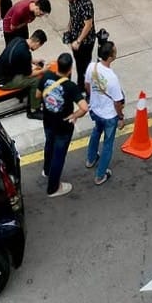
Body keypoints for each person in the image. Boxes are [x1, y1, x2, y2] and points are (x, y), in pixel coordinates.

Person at [39, 52, 88, 198]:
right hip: (63, 126)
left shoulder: (47, 76)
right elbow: (84, 107)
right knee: (58, 155)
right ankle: (53, 188)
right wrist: (74, 115)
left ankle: (46, 170)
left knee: (49, 145)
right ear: (70, 69)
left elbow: (37, 95)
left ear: (57, 65)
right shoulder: (70, 86)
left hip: (48, 120)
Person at [84, 40, 125, 187]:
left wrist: (94, 98)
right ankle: (100, 175)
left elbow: (87, 86)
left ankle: (91, 159)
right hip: (109, 115)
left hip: (95, 109)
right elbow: (117, 102)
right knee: (108, 143)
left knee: (96, 131)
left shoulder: (92, 67)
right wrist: (120, 117)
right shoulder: (112, 78)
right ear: (110, 57)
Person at [0, 30, 48, 116]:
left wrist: (33, 61)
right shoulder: (26, 54)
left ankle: (22, 93)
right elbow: (29, 74)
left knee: (27, 74)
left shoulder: (17, 40)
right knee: (36, 80)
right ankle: (34, 110)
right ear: (37, 42)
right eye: (39, 46)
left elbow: (18, 57)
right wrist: (43, 70)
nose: (37, 48)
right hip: (4, 82)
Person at [59, 0, 96, 89]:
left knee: (84, 65)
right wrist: (68, 31)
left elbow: (88, 25)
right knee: (78, 64)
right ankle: (80, 85)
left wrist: (79, 41)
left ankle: (85, 86)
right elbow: (72, 17)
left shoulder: (86, 3)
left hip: (85, 40)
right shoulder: (72, 1)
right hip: (75, 37)